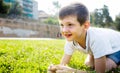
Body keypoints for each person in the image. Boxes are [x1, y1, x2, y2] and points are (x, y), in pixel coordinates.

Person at [48, 2, 120, 73]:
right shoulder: (71, 39)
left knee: (106, 67)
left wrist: (73, 71)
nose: (64, 30)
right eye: (62, 25)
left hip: (117, 47)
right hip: (104, 45)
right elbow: (63, 64)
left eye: (70, 24)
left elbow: (100, 72)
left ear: (85, 26)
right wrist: (56, 69)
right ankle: (101, 55)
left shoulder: (97, 38)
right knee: (88, 64)